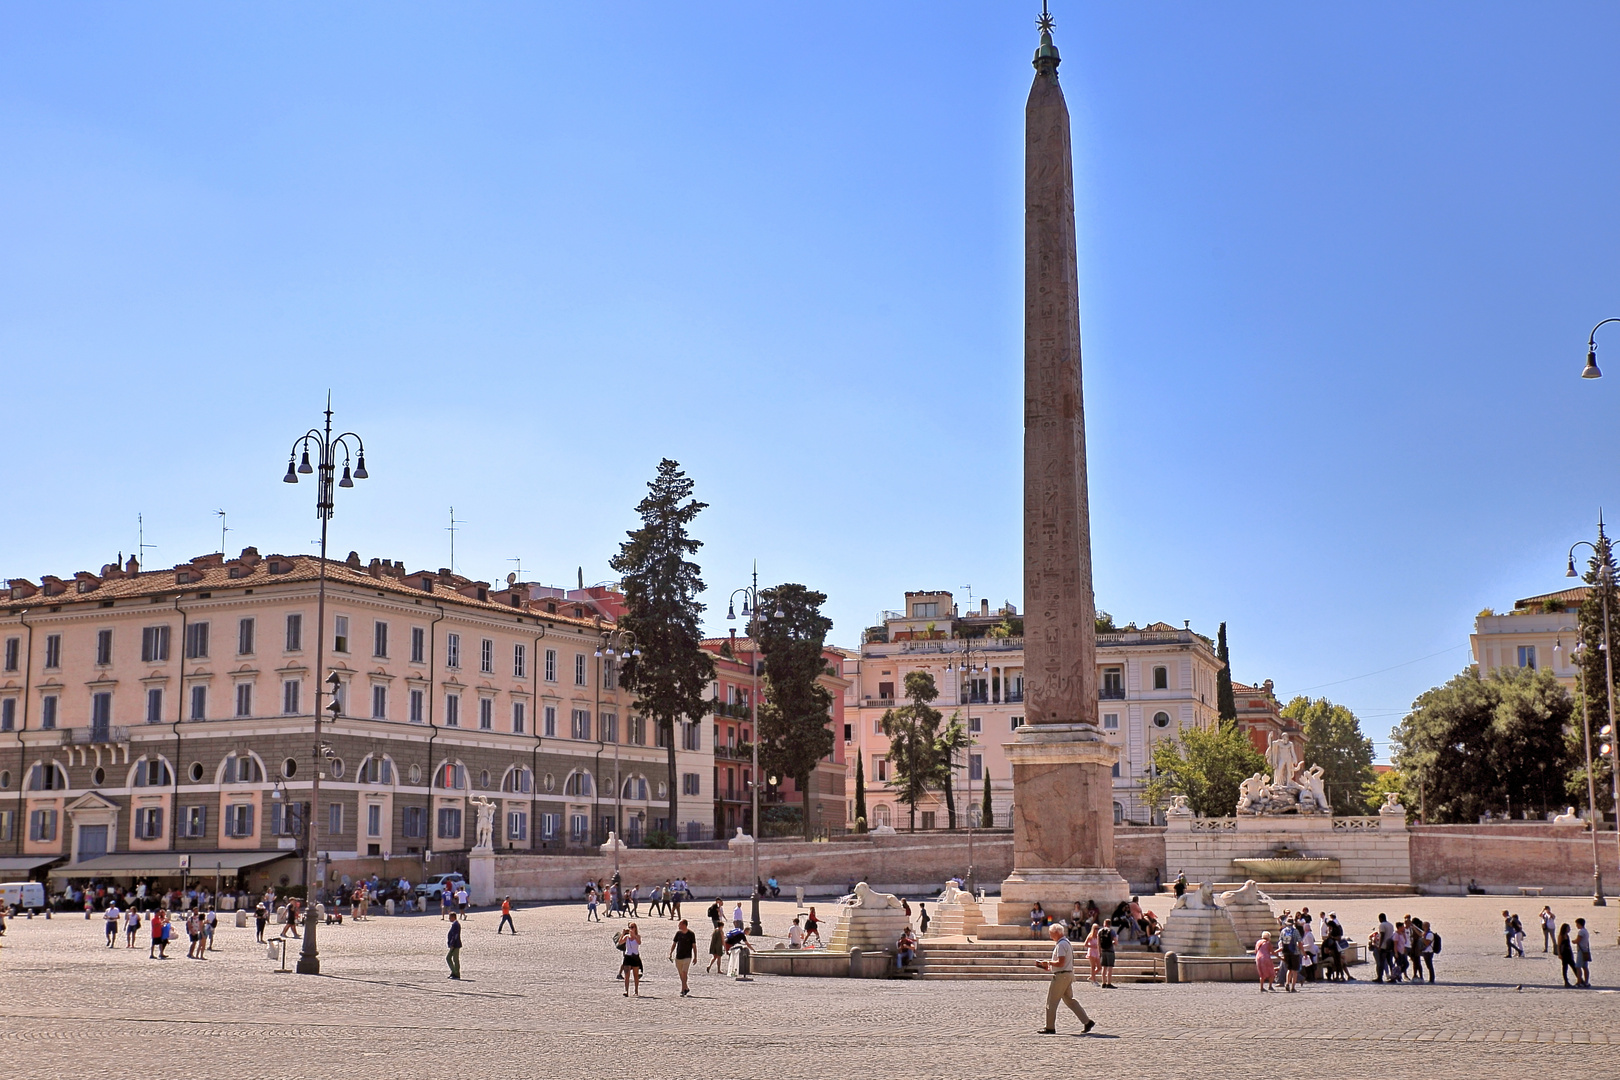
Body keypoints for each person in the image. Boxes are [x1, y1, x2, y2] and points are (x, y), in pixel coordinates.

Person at [1035, 923, 1095, 1035]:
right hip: (1067, 974)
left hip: (1061, 976)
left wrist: (1047, 962)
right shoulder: (1065, 943)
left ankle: (1050, 1027)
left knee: (1051, 1001)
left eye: (1051, 933)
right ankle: (1087, 1021)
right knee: (1069, 1000)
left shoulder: (1061, 945)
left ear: (1057, 932)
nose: (1050, 936)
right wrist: (1050, 966)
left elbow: (1060, 962)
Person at [669, 918, 697, 995]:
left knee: (684, 973)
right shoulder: (678, 933)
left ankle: (683, 988)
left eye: (680, 924)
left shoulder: (691, 934)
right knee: (681, 974)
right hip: (678, 957)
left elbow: (694, 946)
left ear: (684, 925)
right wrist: (671, 953)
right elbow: (674, 944)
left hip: (687, 956)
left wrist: (695, 957)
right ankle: (685, 988)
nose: (678, 925)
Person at [619, 922, 643, 996]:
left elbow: (639, 943)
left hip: (635, 956)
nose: (631, 929)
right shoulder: (626, 937)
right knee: (627, 974)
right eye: (629, 927)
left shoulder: (638, 936)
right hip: (628, 956)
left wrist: (634, 936)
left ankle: (636, 991)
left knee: (635, 975)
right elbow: (620, 942)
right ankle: (626, 990)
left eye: (632, 927)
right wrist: (623, 934)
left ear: (635, 928)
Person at [1097, 921, 1117, 988]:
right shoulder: (1112, 931)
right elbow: (1116, 942)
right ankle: (1109, 983)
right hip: (1110, 951)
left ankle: (1103, 983)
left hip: (1103, 951)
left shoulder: (1100, 931)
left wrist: (1099, 952)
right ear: (1109, 924)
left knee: (1104, 967)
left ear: (1104, 924)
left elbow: (1098, 943)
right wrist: (1113, 942)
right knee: (1109, 968)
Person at [1557, 923, 1577, 988]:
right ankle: (1566, 982)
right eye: (1568, 928)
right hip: (1564, 953)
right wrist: (1559, 954)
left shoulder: (1567, 935)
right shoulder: (1561, 936)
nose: (1569, 929)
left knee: (1574, 967)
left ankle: (1580, 980)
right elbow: (1559, 945)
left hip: (1568, 952)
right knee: (1565, 968)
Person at [1574, 918, 1591, 988]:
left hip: (1581, 951)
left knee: (1578, 967)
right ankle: (1586, 982)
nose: (1576, 925)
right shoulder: (1586, 931)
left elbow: (1578, 940)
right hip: (1585, 950)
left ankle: (1579, 982)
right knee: (1585, 967)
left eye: (1577, 924)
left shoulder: (1581, 932)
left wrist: (1573, 941)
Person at [446, 912, 463, 979]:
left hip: (455, 945)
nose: (449, 919)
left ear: (453, 917)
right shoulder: (455, 924)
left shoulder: (456, 925)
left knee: (453, 959)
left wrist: (452, 944)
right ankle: (454, 972)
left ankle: (456, 973)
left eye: (450, 917)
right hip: (454, 944)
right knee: (452, 958)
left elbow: (455, 935)